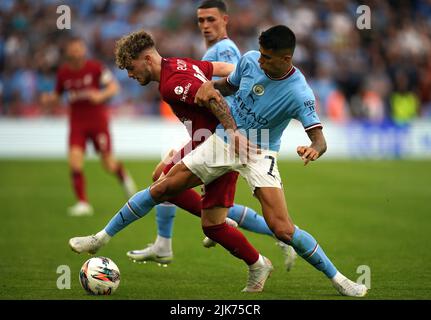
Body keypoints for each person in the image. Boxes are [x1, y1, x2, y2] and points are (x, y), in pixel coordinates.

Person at [69, 26, 368, 297]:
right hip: (223, 141)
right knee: (164, 188)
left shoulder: (299, 93)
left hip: (259, 153)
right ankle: (101, 238)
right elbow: (228, 84)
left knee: (283, 229)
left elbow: (320, 139)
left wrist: (313, 149)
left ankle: (340, 280)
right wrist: (211, 87)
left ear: (286, 57)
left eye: (267, 58)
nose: (260, 61)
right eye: (260, 54)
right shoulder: (250, 60)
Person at [126, 0, 297, 271]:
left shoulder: (225, 49)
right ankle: (165, 243)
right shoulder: (212, 50)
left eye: (211, 20)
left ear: (225, 21)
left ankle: (281, 236)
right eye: (201, 20)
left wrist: (227, 135)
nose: (205, 25)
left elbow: (227, 94)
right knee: (170, 182)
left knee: (168, 182)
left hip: (219, 136)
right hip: (207, 133)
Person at [41, 37, 136, 216]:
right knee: (75, 162)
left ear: (83, 50)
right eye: (73, 49)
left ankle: (122, 174)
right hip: (77, 123)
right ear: (68, 52)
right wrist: (48, 99)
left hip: (98, 122)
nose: (76, 52)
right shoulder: (63, 73)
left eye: (79, 49)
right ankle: (83, 203)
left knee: (108, 164)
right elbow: (57, 95)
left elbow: (113, 87)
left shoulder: (95, 68)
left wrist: (100, 96)